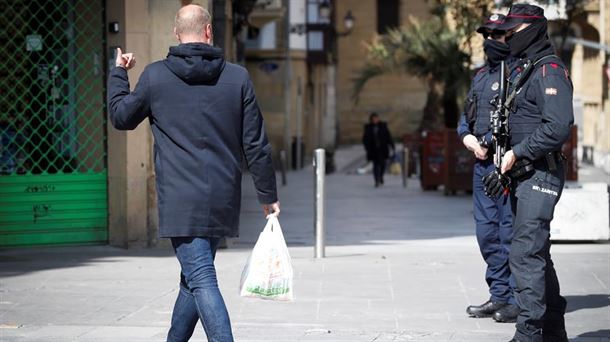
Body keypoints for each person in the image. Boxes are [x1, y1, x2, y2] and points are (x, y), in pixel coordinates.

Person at [107, 4, 280, 342]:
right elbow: (256, 143)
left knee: (201, 278)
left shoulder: (156, 76)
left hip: (180, 199)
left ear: (176, 33)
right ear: (208, 32)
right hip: (222, 196)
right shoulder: (237, 77)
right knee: (193, 279)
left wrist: (118, 72)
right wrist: (267, 195)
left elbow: (121, 117)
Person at [487, 4, 574, 342]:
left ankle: (528, 334)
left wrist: (517, 152)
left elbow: (558, 126)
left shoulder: (549, 71)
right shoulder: (525, 69)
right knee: (536, 252)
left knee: (525, 253)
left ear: (534, 30)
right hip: (524, 174)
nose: (507, 38)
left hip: (541, 172)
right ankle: (553, 329)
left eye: (513, 32)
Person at [457, 13, 518, 323]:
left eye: (497, 35)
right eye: (488, 35)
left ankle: (514, 299)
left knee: (508, 233)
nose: (491, 41)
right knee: (486, 234)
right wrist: (469, 139)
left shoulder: (520, 73)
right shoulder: (480, 76)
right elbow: (464, 117)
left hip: (506, 167)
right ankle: (498, 295)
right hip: (481, 166)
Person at [362, 112, 395, 187]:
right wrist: (367, 147)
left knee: (383, 164)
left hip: (382, 149)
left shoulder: (383, 126)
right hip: (373, 149)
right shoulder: (368, 127)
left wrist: (392, 145)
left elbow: (388, 136)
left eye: (376, 118)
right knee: (375, 165)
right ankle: (376, 180)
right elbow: (365, 139)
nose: (375, 120)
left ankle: (381, 176)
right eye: (373, 119)